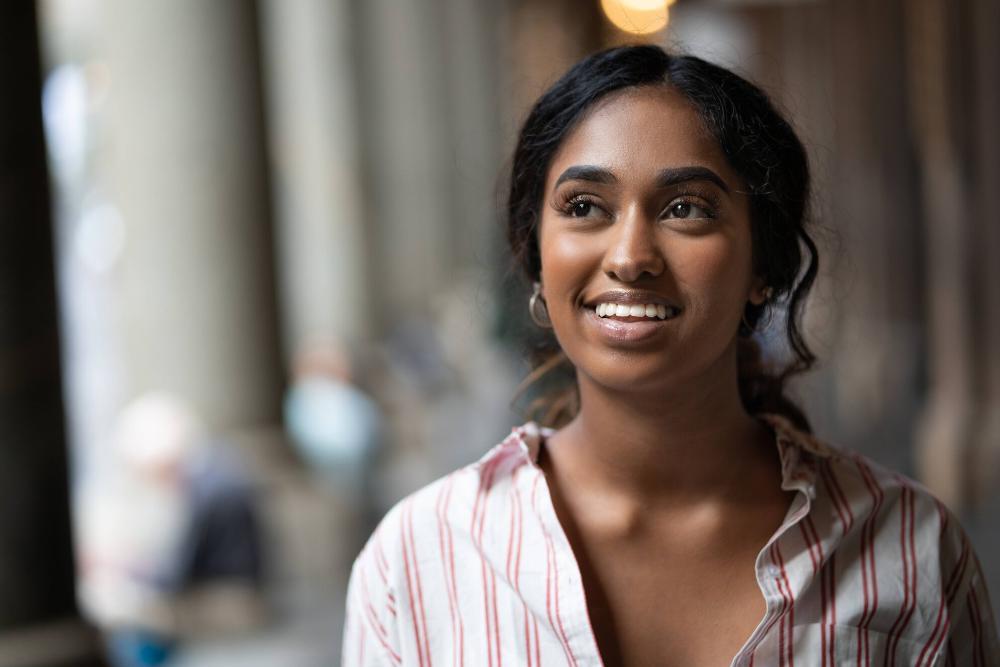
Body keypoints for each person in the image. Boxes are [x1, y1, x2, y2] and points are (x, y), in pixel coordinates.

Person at [341, 45, 999, 665]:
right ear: (536, 256)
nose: (630, 257)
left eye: (685, 208)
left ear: (761, 267)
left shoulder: (911, 549)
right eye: (584, 206)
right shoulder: (419, 560)